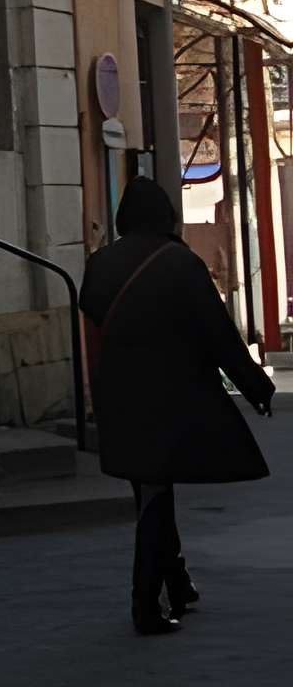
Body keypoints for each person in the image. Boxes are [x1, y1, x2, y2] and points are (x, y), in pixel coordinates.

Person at [79, 175, 274, 635]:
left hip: (117, 399)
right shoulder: (180, 264)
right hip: (167, 400)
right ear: (166, 215)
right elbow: (219, 336)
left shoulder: (99, 263)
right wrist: (257, 389)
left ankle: (178, 583)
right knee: (154, 499)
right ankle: (145, 606)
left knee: (150, 492)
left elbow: (91, 309)